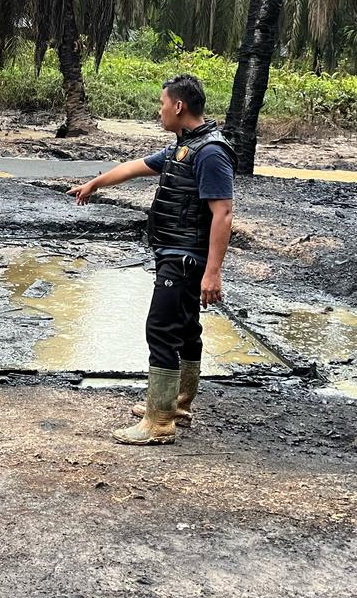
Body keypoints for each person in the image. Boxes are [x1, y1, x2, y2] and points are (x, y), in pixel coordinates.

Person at [66, 74, 235, 446]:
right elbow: (135, 167)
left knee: (160, 329)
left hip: (186, 258)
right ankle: (176, 404)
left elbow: (223, 213)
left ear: (179, 106)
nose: (159, 111)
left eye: (162, 104)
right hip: (176, 253)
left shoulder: (210, 153)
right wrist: (95, 184)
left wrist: (213, 272)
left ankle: (159, 422)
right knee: (186, 329)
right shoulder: (185, 148)